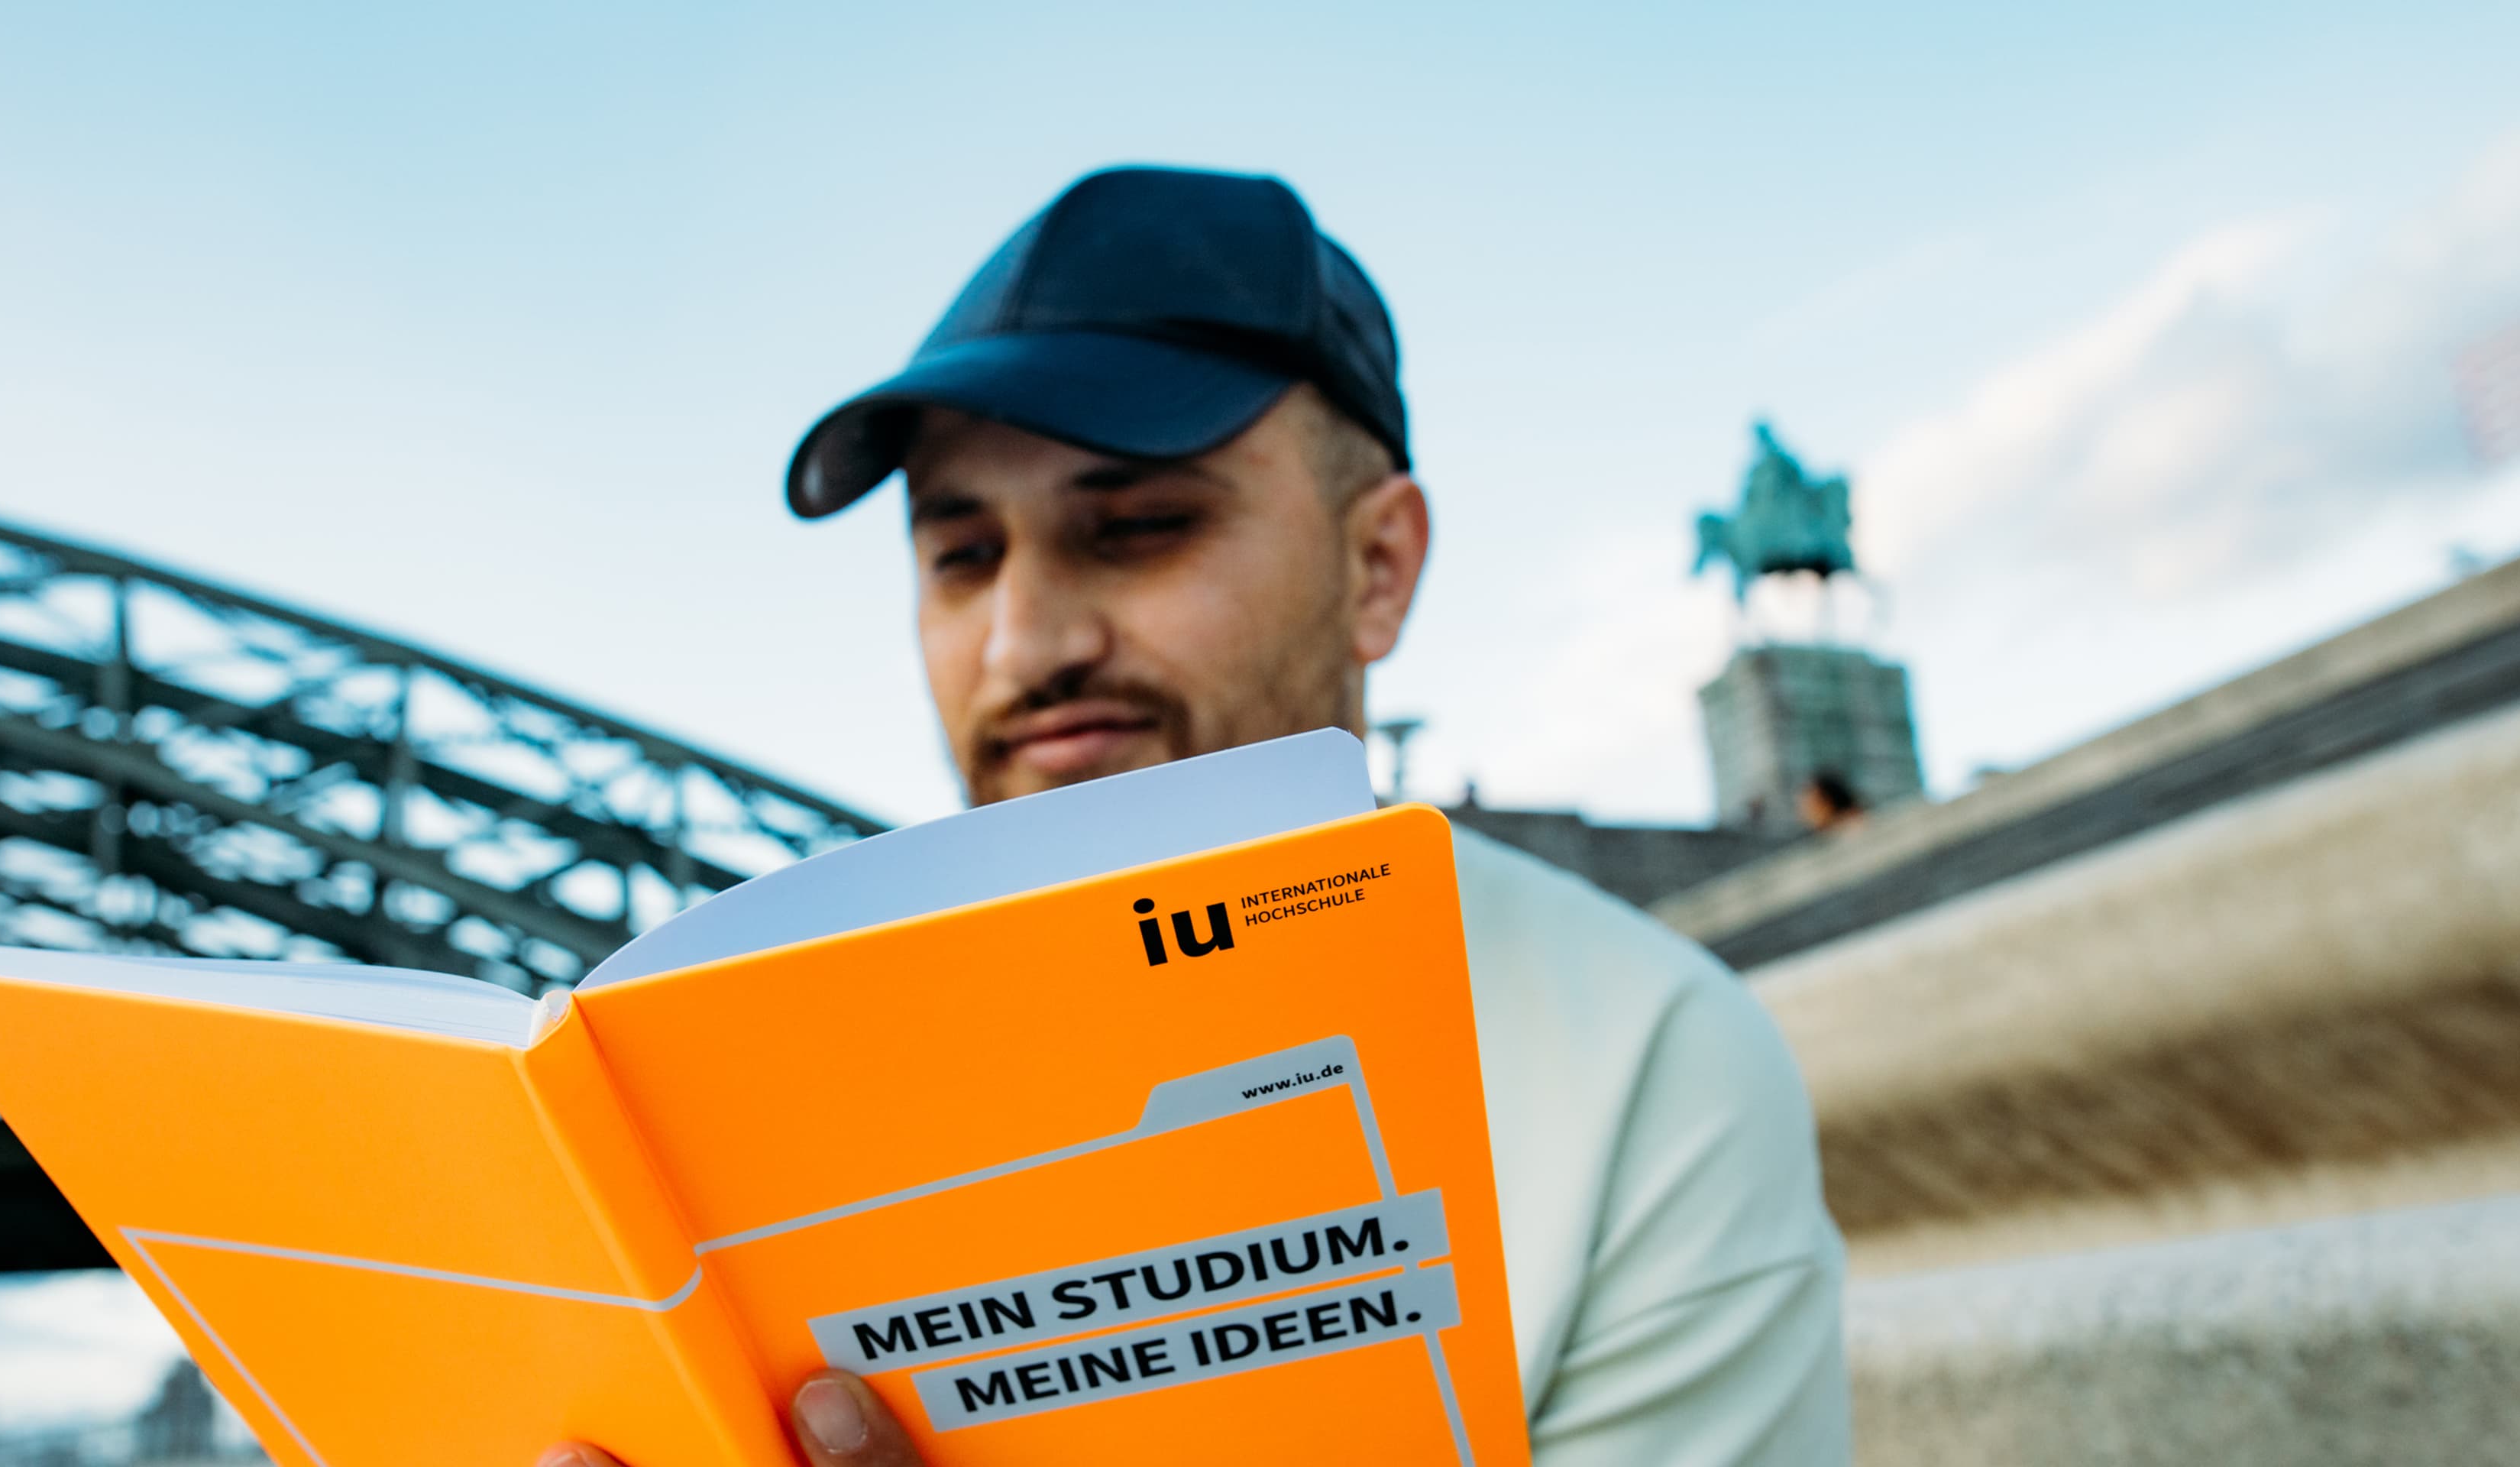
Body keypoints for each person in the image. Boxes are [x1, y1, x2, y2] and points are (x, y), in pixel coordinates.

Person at [546, 167, 1849, 1466]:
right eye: (962, 556)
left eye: (1139, 526)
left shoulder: (1644, 1066)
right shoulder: (738, 1103)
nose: (1023, 644)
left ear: (1377, 566)